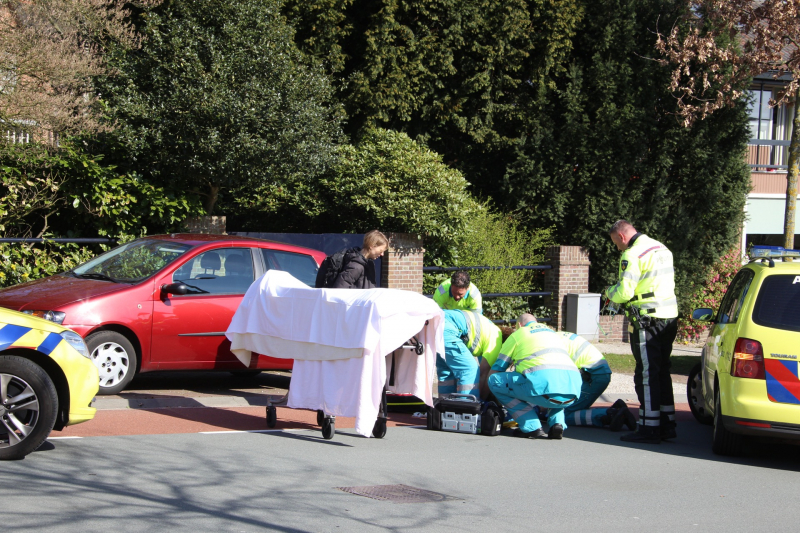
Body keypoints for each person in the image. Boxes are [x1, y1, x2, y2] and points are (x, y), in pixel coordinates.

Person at [605, 219, 678, 444]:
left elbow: (625, 292)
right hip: (669, 317)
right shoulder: (661, 248)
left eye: (615, 242)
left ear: (621, 236)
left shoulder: (632, 254)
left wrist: (609, 292)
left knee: (646, 375)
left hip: (647, 320)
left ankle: (649, 427)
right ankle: (667, 424)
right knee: (662, 371)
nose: (617, 247)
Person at [488, 313, 582, 439]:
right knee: (555, 389)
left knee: (494, 381)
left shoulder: (518, 334)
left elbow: (498, 368)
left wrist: (488, 396)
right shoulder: (554, 334)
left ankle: (531, 426)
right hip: (572, 389)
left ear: (520, 325)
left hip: (543, 389)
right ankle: (557, 423)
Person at [558, 331, 636, 431]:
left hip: (592, 376)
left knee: (562, 415)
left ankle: (611, 414)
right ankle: (616, 409)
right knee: (574, 407)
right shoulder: (557, 336)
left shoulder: (548, 345)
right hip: (596, 373)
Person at [436, 309, 503, 400]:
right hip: (447, 329)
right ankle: (466, 409)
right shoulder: (497, 341)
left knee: (447, 373)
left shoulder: (490, 331)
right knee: (470, 369)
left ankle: (444, 408)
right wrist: (482, 400)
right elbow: (484, 373)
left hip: (436, 324)